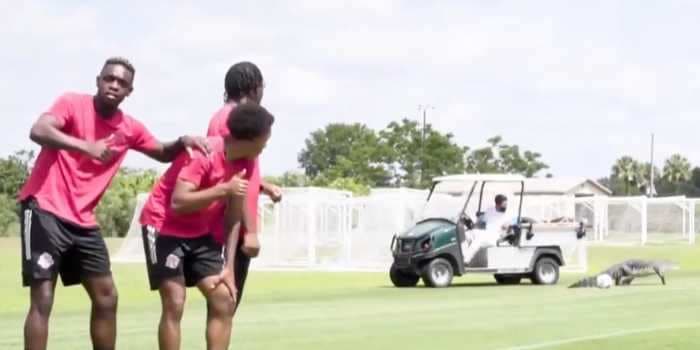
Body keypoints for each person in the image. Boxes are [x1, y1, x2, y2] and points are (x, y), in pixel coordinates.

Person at [18, 57, 209, 350]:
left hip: (82, 221)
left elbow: (160, 151)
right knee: (43, 297)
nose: (114, 85)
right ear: (98, 80)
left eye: (122, 83)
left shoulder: (128, 128)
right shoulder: (71, 103)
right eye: (109, 79)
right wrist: (85, 146)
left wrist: (182, 141)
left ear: (129, 92)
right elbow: (39, 130)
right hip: (45, 208)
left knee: (107, 296)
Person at [139, 103, 274, 350]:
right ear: (252, 137)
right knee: (175, 300)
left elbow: (233, 216)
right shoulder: (204, 153)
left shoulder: (247, 163)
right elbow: (179, 202)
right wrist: (224, 189)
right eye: (265, 139)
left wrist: (230, 267)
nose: (266, 145)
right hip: (163, 227)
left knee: (224, 299)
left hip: (200, 233)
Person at [206, 61, 281, 311]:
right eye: (262, 87)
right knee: (227, 302)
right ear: (254, 87)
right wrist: (250, 231)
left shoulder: (219, 116)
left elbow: (226, 169)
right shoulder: (240, 120)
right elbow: (239, 179)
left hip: (224, 216)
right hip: (233, 221)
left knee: (224, 301)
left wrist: (264, 186)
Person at [461, 194, 517, 264]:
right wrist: (471, 220)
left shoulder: (509, 213)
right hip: (486, 232)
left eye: (506, 204)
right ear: (497, 204)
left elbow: (516, 220)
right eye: (504, 205)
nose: (505, 207)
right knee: (466, 235)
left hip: (496, 236)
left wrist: (510, 223)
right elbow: (481, 220)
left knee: (479, 238)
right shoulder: (490, 210)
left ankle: (465, 260)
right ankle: (462, 256)